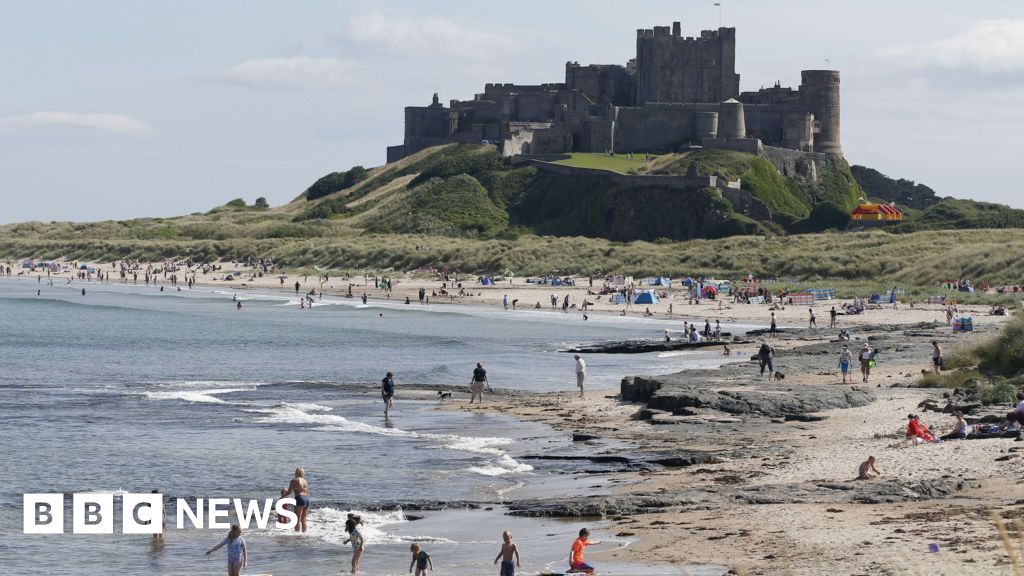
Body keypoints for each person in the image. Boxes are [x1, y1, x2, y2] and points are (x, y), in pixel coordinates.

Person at [282, 467, 310, 532]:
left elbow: (289, 492)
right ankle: (304, 533)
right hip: (307, 499)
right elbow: (307, 492)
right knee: (303, 520)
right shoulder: (305, 481)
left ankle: (297, 535)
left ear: (296, 473)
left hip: (300, 498)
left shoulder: (294, 480)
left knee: (297, 519)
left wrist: (283, 496)